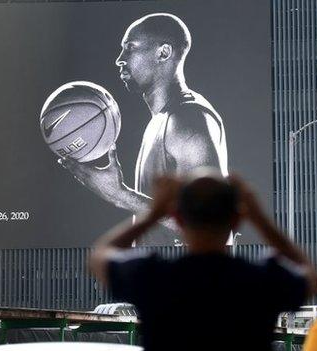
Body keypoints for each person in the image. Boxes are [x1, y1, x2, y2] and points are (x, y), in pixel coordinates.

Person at [89, 172, 317, 351]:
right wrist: (259, 218)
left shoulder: (153, 277)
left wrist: (154, 212)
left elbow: (99, 255)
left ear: (177, 219)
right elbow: (311, 275)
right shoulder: (261, 280)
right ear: (237, 220)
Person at [61, 13, 228, 245]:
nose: (119, 59)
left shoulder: (186, 120)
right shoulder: (161, 119)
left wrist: (120, 195)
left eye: (130, 48)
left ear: (163, 53)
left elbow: (212, 226)